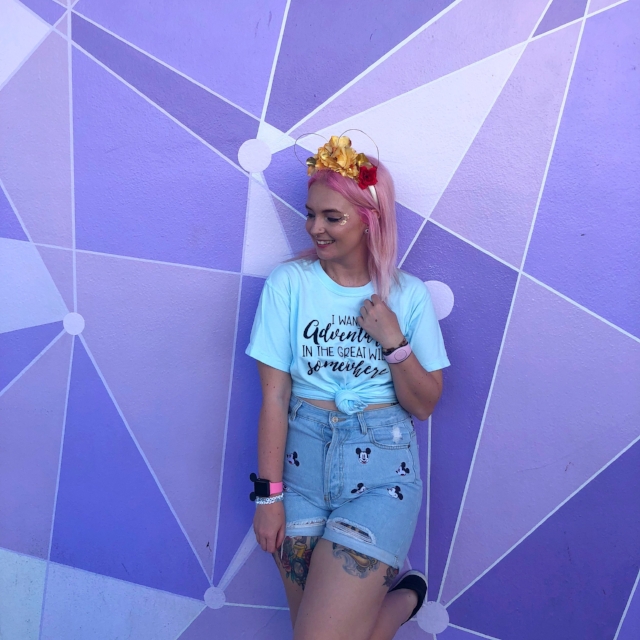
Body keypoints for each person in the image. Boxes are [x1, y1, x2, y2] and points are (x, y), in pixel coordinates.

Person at [245, 135, 450, 640]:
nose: (315, 228)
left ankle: (401, 598)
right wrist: (267, 500)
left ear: (369, 220)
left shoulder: (408, 295)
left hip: (383, 473)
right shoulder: (288, 284)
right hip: (301, 471)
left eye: (332, 217)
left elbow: (424, 404)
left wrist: (394, 341)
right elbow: (273, 397)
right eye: (311, 214)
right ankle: (401, 602)